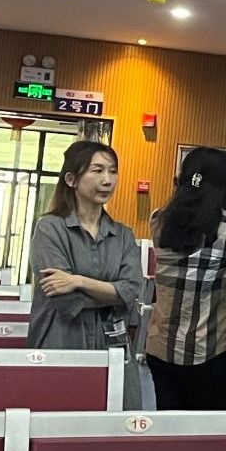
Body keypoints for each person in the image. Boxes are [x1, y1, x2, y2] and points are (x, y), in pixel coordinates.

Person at [146, 146, 226, 410]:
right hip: (209, 351)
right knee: (213, 428)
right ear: (224, 184)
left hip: (160, 348)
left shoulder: (159, 220)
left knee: (171, 423)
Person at [27, 141, 144, 373]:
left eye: (113, 171)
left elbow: (132, 290)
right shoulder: (50, 228)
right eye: (97, 170)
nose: (107, 180)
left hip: (114, 347)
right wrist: (115, 296)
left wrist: (78, 281)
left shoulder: (123, 235)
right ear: (71, 180)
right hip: (62, 341)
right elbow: (64, 300)